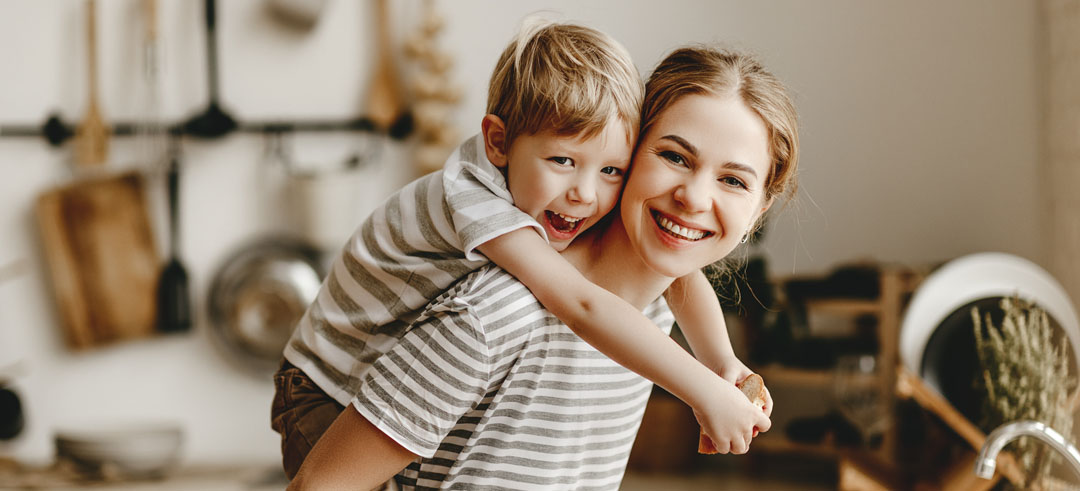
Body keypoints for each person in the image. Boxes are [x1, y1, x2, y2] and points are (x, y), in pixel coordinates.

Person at [288, 45, 800, 490]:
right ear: (631, 150)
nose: (693, 196)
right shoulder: (497, 313)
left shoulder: (651, 317)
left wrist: (722, 367)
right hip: (321, 382)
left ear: (760, 209)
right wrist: (704, 388)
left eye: (734, 180)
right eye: (674, 156)